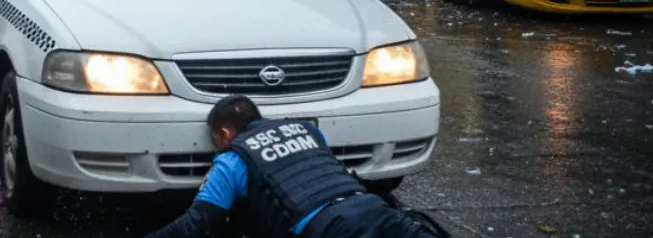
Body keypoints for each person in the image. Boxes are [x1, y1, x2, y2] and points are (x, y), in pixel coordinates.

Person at [145, 95, 439, 238]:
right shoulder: (307, 130)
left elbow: (196, 223)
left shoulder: (233, 159)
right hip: (376, 211)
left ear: (225, 134)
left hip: (330, 230)